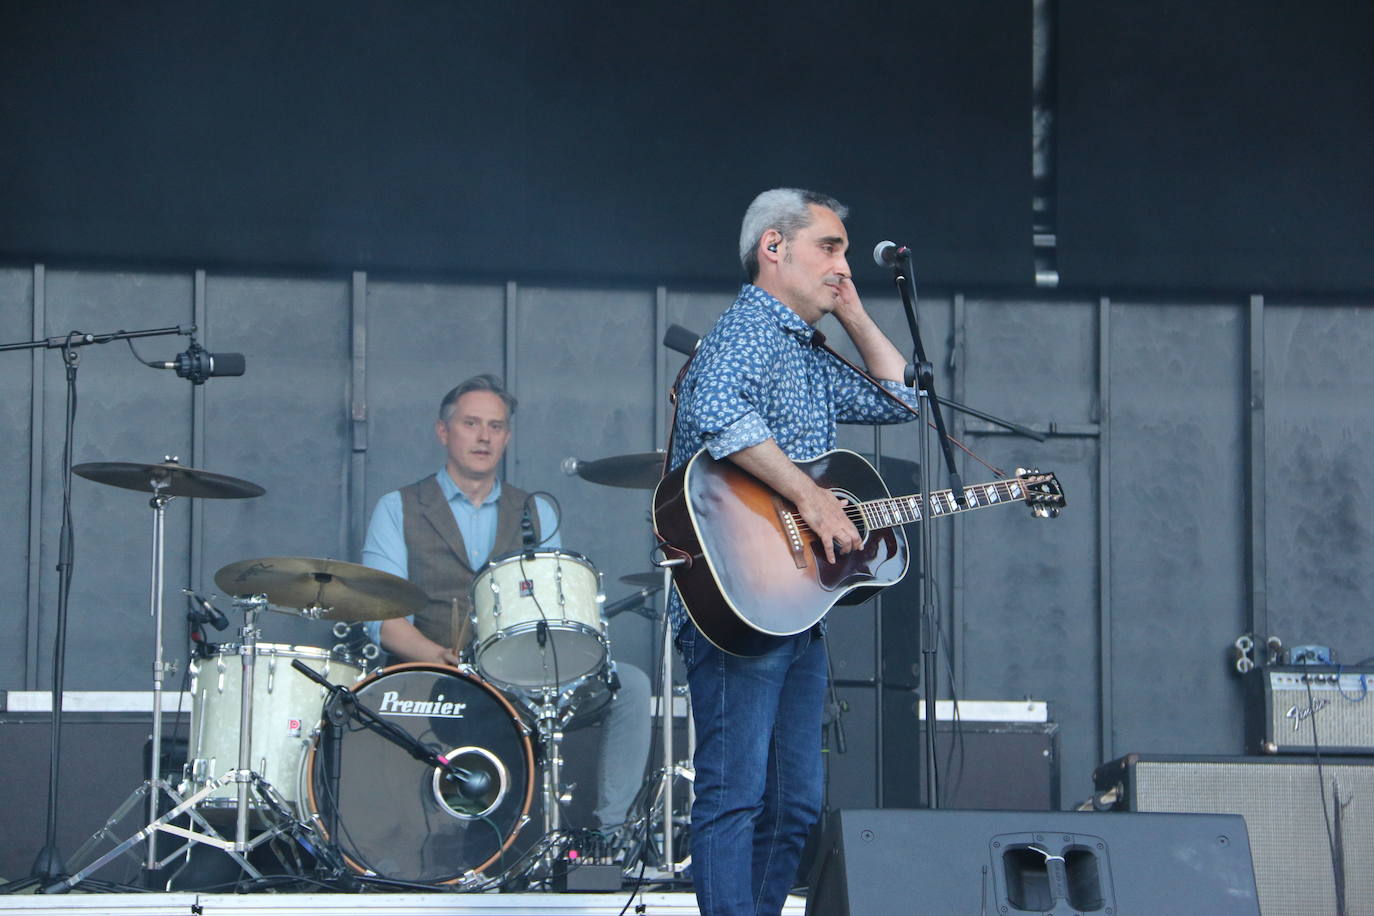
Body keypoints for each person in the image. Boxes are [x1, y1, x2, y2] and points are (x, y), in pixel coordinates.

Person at [667, 189, 920, 915]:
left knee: (794, 808)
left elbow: (899, 399)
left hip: (791, 607)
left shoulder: (805, 346)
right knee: (734, 797)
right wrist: (810, 499)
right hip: (737, 608)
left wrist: (852, 312)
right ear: (773, 249)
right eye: (829, 248)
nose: (842, 265)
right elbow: (717, 411)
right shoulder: (748, 329)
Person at [361, 373, 651, 833]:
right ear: (444, 432)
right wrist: (440, 659)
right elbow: (384, 621)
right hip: (439, 678)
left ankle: (611, 835)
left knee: (631, 687)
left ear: (507, 437)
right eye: (471, 424)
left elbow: (558, 615)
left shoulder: (538, 512)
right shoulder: (398, 508)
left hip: (524, 679)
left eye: (495, 426)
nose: (484, 436)